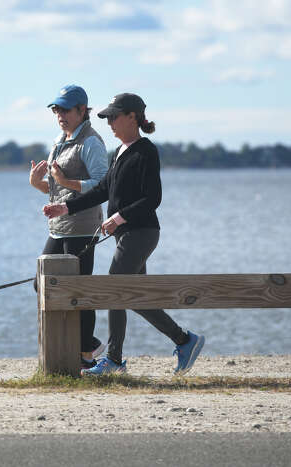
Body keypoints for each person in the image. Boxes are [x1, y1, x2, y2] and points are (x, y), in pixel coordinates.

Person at [43, 92, 205, 376]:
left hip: (141, 232)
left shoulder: (146, 151)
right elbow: (101, 191)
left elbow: (153, 198)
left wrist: (118, 217)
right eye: (107, 118)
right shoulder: (119, 152)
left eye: (114, 117)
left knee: (114, 288)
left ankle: (114, 359)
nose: (110, 123)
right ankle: (184, 340)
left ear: (133, 117)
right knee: (135, 297)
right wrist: (65, 208)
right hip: (127, 234)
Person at [29, 84, 109, 370]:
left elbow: (103, 185)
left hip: (84, 226)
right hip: (58, 226)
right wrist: (35, 182)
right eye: (56, 109)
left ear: (81, 111)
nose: (59, 114)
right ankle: (86, 344)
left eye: (65, 109)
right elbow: (54, 188)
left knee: (79, 289)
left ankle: (86, 353)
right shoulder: (60, 140)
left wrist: (62, 183)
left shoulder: (91, 142)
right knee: (41, 283)